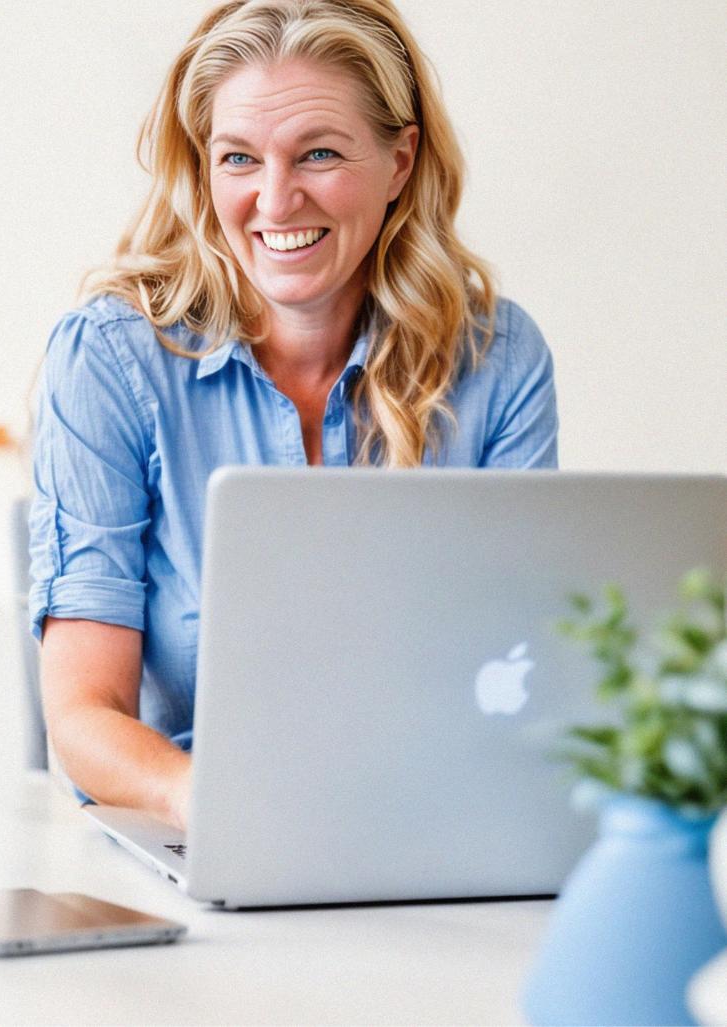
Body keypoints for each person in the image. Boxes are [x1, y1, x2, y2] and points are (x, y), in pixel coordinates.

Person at [30, 0, 558, 830]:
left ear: (400, 161)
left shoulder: (498, 359)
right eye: (238, 158)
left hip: (432, 831)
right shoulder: (111, 360)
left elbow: (530, 668)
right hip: (195, 836)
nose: (275, 200)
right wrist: (210, 801)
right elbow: (84, 717)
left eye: (318, 152)